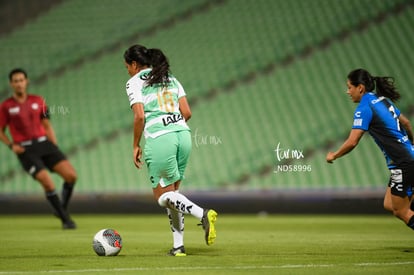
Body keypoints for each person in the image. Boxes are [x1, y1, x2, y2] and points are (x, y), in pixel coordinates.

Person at [123, 44, 217, 256]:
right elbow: (187, 112)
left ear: (134, 64)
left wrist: (135, 145)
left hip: (159, 138)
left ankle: (202, 213)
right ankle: (178, 246)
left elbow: (139, 116)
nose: (127, 70)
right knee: (173, 195)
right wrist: (171, 124)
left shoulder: (134, 82)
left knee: (162, 197)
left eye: (127, 66)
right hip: (183, 135)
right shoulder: (171, 78)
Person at [326, 68, 414, 230]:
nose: (347, 91)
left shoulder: (364, 108)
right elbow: (407, 123)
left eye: (349, 87)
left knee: (401, 211)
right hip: (407, 160)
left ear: (360, 87)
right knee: (389, 204)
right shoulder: (383, 100)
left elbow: (352, 142)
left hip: (404, 163)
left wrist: (334, 155)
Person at [0, 68, 77, 229]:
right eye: (16, 81)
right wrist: (10, 145)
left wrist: (54, 145)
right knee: (48, 183)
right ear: (11, 84)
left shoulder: (38, 100)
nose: (19, 84)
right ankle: (66, 220)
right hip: (25, 149)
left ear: (26, 82)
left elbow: (47, 125)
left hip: (45, 144)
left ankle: (60, 208)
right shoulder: (6, 106)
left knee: (71, 176)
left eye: (21, 80)